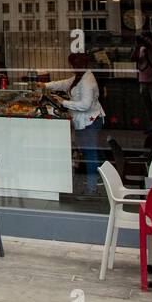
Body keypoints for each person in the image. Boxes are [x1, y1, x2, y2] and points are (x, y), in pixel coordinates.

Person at [44, 52, 106, 195]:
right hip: (87, 120)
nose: (73, 67)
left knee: (90, 154)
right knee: (93, 152)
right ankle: (102, 178)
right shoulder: (80, 76)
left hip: (90, 121)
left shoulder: (87, 81)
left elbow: (85, 105)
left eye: (75, 65)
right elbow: (64, 84)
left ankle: (92, 188)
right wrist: (45, 85)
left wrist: (63, 102)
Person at [133, 30, 152, 126]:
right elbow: (133, 59)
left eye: (145, 38)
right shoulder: (141, 48)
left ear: (150, 39)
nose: (144, 41)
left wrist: (150, 47)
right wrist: (137, 47)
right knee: (147, 105)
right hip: (143, 79)